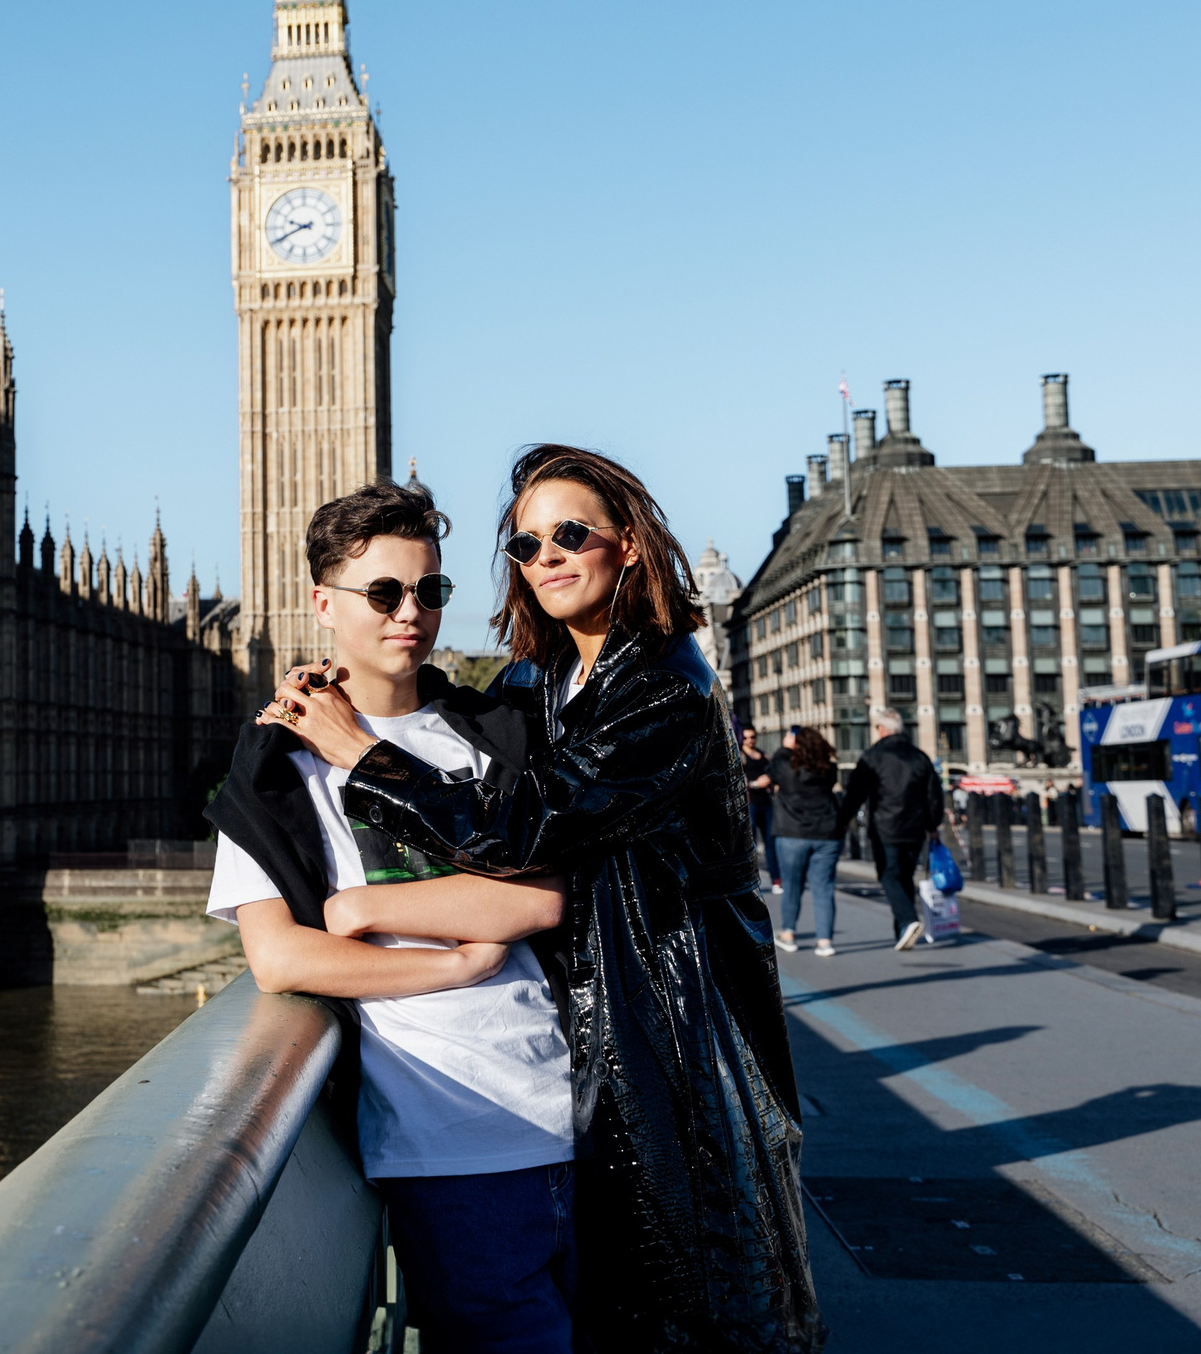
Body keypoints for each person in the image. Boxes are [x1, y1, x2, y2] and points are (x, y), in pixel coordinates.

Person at [269, 444, 821, 1354]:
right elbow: (448, 712)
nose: (548, 556)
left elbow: (525, 824)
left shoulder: (665, 689)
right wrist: (337, 694)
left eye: (572, 533)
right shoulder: (540, 677)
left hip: (675, 1038)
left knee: (693, 1305)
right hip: (584, 1045)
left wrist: (360, 760)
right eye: (526, 544)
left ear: (630, 543)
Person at [206, 480, 578, 1354]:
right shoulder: (273, 770)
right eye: (384, 592)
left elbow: (543, 896)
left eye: (430, 590)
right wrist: (454, 963)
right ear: (322, 605)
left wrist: (371, 905)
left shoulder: (498, 732)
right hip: (454, 1141)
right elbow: (281, 958)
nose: (411, 612)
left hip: (584, 1113)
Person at [840, 706, 945, 950]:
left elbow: (856, 792)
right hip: (915, 826)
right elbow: (933, 795)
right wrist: (933, 825)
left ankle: (908, 920)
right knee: (905, 876)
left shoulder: (873, 756)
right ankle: (903, 931)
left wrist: (844, 820)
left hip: (885, 825)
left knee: (889, 875)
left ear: (882, 729)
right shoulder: (919, 756)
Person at [767, 725, 843, 955]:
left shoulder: (785, 765)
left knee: (792, 885)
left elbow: (775, 764)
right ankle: (825, 941)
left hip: (792, 833)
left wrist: (785, 746)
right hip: (827, 833)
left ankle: (789, 934)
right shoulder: (828, 768)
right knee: (824, 888)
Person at [739, 722, 779, 892]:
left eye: (752, 737)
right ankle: (751, 882)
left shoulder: (763, 755)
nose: (749, 740)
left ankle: (776, 880)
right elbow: (738, 780)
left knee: (771, 842)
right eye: (746, 737)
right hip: (751, 804)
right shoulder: (739, 756)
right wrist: (756, 784)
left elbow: (775, 773)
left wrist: (772, 782)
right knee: (750, 844)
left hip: (767, 804)